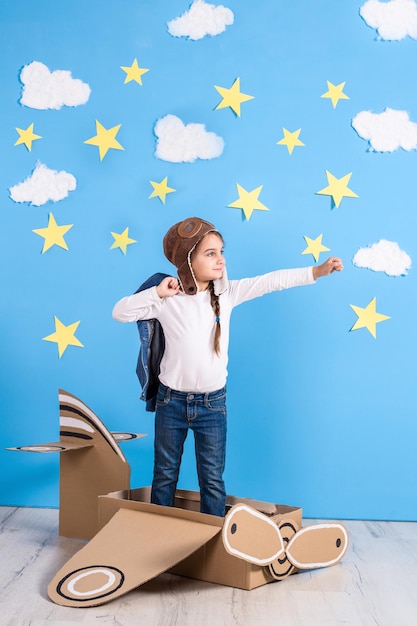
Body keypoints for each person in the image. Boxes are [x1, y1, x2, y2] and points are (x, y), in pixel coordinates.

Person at [112, 217, 343, 517]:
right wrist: (157, 292)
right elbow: (120, 312)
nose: (220, 259)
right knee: (165, 475)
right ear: (188, 260)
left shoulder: (227, 294)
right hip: (171, 403)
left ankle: (213, 546)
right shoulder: (167, 300)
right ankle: (159, 534)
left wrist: (317, 271)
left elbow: (270, 281)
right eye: (210, 253)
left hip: (212, 405)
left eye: (221, 251)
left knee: (212, 480)